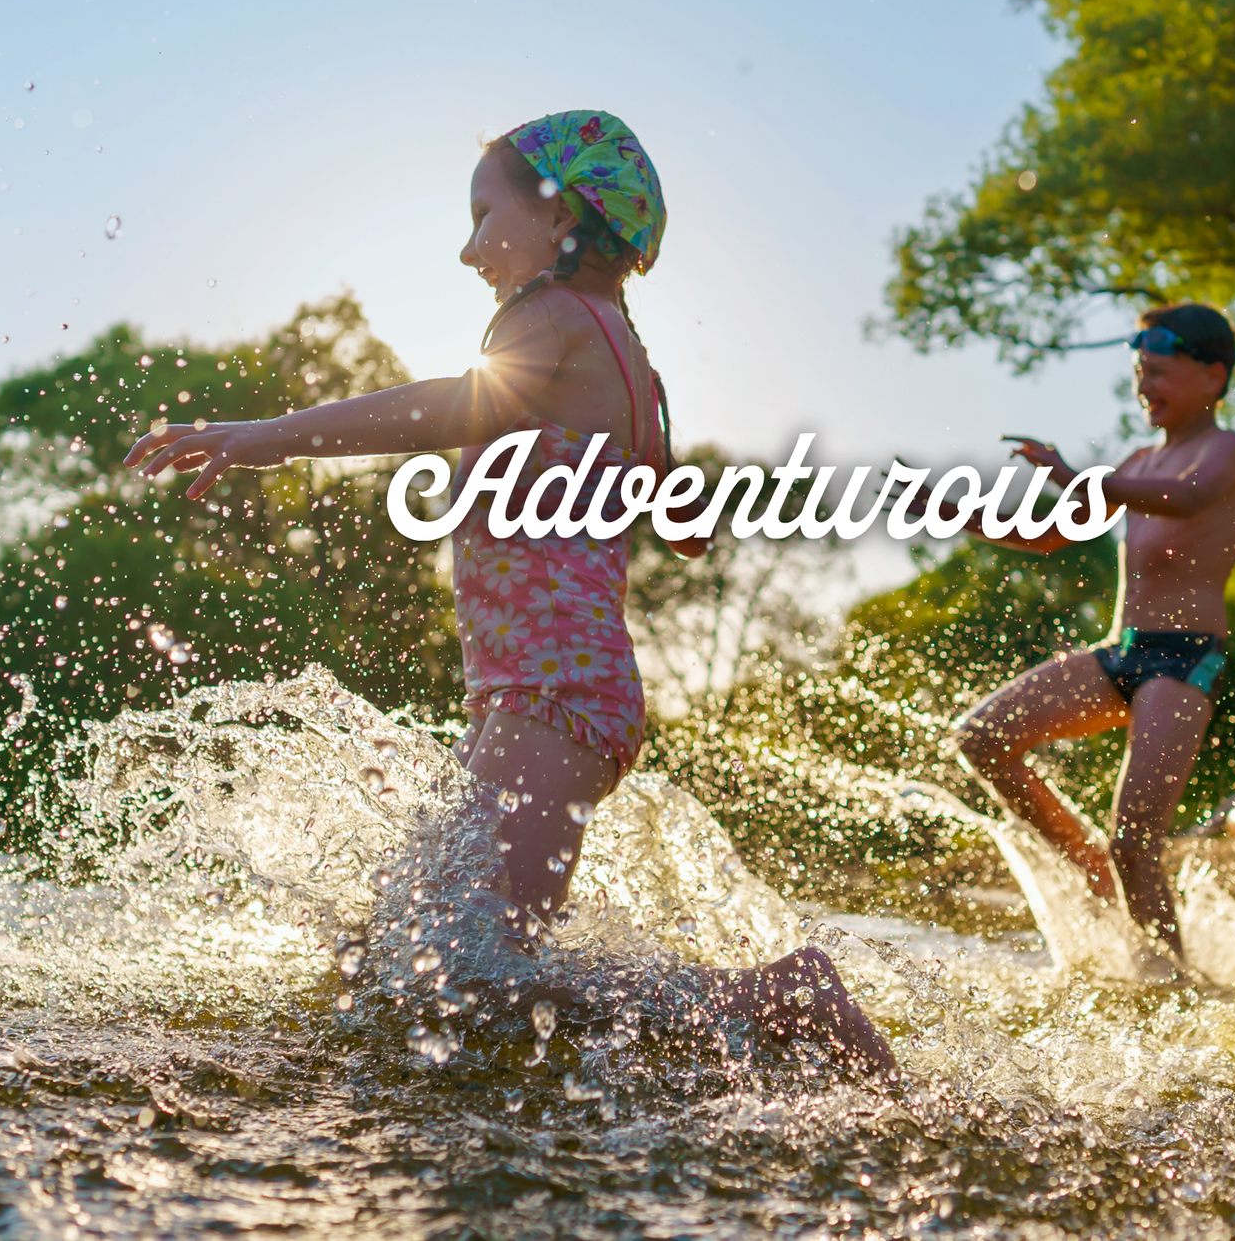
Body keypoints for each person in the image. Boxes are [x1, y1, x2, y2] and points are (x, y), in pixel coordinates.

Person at [122, 111, 896, 1077]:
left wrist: (268, 434)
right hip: (551, 691)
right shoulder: (631, 358)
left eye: (486, 216)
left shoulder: (549, 317)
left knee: (475, 972)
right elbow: (683, 520)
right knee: (398, 956)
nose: (468, 247)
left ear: (562, 212)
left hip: (555, 692)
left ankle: (775, 995)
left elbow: (456, 402)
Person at [949, 303, 1235, 963]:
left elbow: (1191, 498)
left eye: (1159, 373)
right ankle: (1085, 857)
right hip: (1121, 653)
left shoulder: (1225, 452)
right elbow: (1048, 535)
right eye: (1140, 374)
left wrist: (1075, 474)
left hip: (1184, 661)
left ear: (1213, 376)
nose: (1144, 387)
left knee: (1137, 838)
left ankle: (1174, 988)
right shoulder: (1139, 460)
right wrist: (959, 515)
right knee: (981, 738)